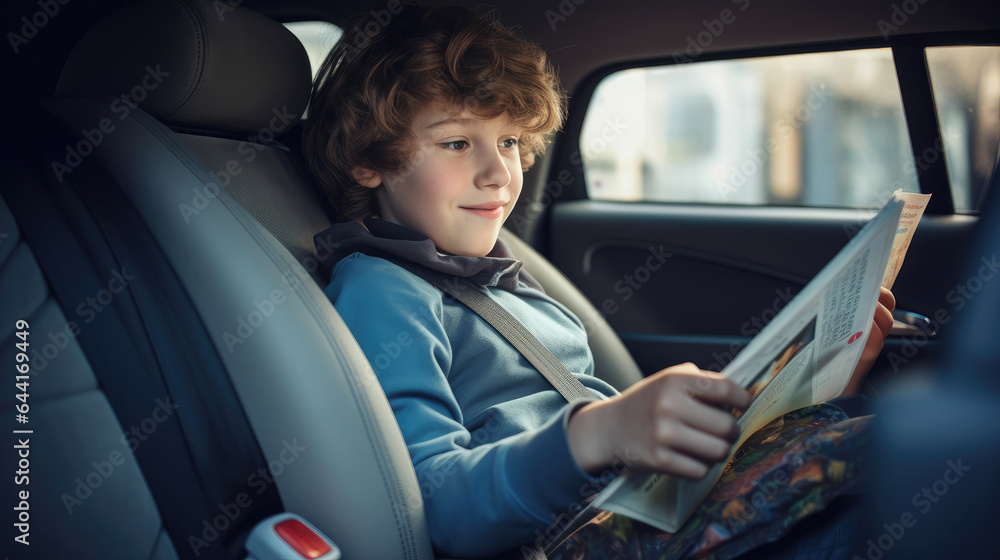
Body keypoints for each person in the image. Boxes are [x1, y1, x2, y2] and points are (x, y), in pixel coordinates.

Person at [302, 4, 895, 559]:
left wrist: (820, 377)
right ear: (368, 160)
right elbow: (429, 504)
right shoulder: (383, 291)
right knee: (906, 470)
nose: (498, 173)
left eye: (508, 141)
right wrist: (595, 433)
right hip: (566, 539)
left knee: (892, 445)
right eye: (458, 143)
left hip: (635, 508)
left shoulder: (497, 278)